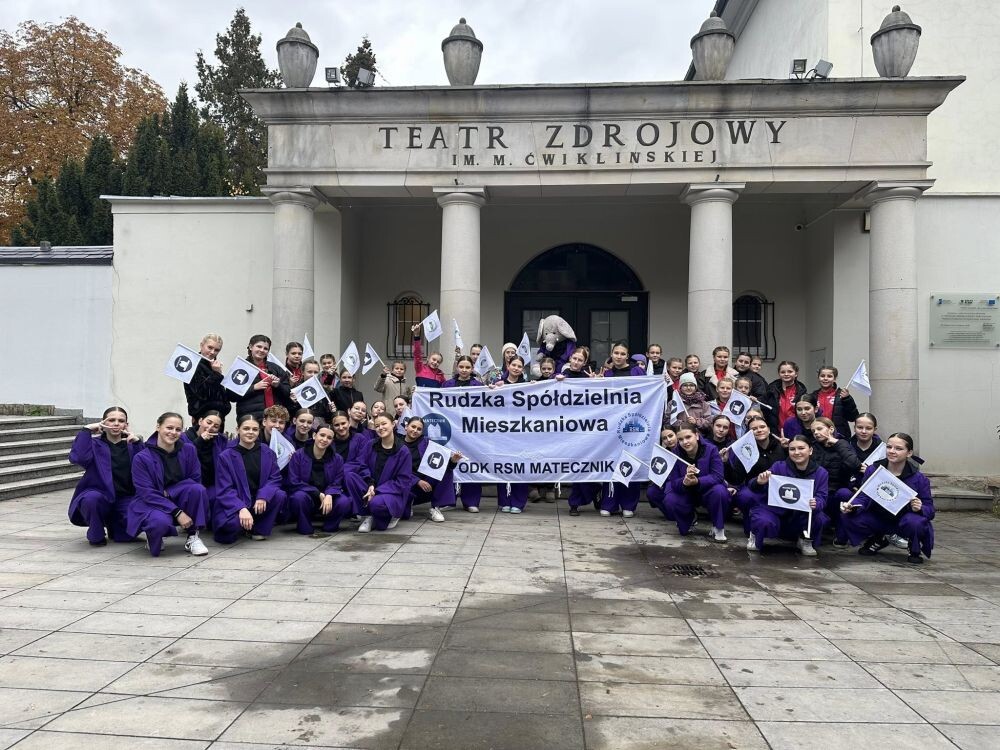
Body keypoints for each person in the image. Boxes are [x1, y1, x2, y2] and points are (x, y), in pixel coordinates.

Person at [839, 433, 934, 564]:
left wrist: (920, 508)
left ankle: (914, 547)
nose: (892, 451)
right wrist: (852, 506)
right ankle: (879, 537)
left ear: (909, 453)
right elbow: (863, 496)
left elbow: (930, 509)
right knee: (848, 516)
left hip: (904, 519)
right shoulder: (874, 470)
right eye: (889, 447)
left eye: (898, 448)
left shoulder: (919, 479)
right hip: (879, 517)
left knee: (916, 522)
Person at [127, 412, 210, 557]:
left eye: (178, 429)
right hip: (152, 502)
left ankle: (193, 536)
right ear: (158, 427)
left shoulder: (189, 450)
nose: (173, 433)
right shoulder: (141, 457)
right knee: (158, 524)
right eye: (169, 428)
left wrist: (170, 491)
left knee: (198, 490)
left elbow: (195, 479)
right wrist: (178, 512)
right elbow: (147, 492)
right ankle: (155, 535)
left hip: (179, 497)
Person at [68, 406, 144, 546]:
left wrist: (138, 442)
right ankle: (96, 532)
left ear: (126, 425)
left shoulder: (132, 445)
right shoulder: (95, 444)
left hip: (125, 498)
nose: (116, 423)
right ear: (103, 423)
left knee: (125, 537)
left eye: (121, 421)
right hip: (100, 495)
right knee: (91, 499)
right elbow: (78, 457)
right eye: (111, 420)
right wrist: (87, 430)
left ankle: (115, 526)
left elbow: (147, 467)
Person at [746, 434, 828, 556]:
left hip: (801, 514)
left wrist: (817, 502)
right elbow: (753, 486)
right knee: (763, 520)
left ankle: (804, 539)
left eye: (801, 448)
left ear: (810, 450)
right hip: (775, 511)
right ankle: (755, 535)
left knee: (820, 518)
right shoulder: (779, 466)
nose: (797, 452)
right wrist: (759, 481)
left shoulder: (821, 472)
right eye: (792, 449)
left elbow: (822, 496)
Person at [213, 414, 287, 543]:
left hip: (258, 501)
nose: (250, 432)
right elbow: (224, 489)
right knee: (229, 528)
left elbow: (275, 478)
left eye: (254, 429)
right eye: (246, 428)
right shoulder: (226, 456)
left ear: (259, 431)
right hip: (236, 501)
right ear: (238, 430)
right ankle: (243, 524)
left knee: (280, 495)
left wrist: (263, 496)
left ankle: (258, 529)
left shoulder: (267, 452)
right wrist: (240, 508)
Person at [346, 414, 414, 532]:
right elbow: (362, 465)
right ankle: (368, 516)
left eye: (384, 424)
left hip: (391, 492)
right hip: (370, 487)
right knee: (350, 476)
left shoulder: (403, 451)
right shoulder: (371, 444)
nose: (380, 428)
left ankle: (388, 515)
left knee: (377, 504)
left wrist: (377, 491)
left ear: (393, 424)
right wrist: (370, 484)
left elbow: (402, 481)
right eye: (377, 426)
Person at [661, 424, 729, 541]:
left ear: (697, 436)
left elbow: (718, 476)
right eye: (681, 439)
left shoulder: (711, 449)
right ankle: (688, 520)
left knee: (720, 491)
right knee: (670, 499)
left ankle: (718, 527)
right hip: (687, 491)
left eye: (688, 437)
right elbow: (674, 482)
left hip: (708, 490)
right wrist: (684, 482)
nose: (685, 442)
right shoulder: (675, 453)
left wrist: (698, 481)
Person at [285, 424, 351, 536]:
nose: (325, 439)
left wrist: (329, 494)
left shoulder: (337, 459)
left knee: (344, 501)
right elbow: (294, 481)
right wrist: (317, 493)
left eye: (329, 438)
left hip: (328, 499)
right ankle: (304, 526)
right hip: (307, 496)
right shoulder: (298, 455)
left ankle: (330, 526)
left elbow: (337, 482)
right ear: (315, 435)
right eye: (322, 435)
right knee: (298, 498)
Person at [728, 416, 786, 534]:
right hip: (754, 489)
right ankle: (750, 527)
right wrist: (725, 463)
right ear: (749, 433)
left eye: (762, 427)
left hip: (779, 490)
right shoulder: (745, 450)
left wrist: (789, 448)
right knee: (744, 496)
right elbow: (736, 478)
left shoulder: (782, 448)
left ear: (769, 429)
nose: (759, 430)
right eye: (754, 429)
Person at [490, 356, 532, 513]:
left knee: (520, 466)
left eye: (519, 366)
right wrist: (491, 389)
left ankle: (518, 502)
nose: (516, 368)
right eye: (513, 364)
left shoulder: (528, 386)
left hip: (521, 432)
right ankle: (504, 500)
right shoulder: (498, 384)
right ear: (508, 365)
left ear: (523, 369)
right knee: (503, 466)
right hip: (501, 432)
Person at [402, 416, 461, 522]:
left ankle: (435, 507)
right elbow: (396, 470)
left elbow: (440, 464)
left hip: (426, 484)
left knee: (446, 470)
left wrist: (453, 461)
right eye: (413, 427)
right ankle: (408, 502)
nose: (415, 430)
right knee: (403, 515)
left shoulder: (426, 442)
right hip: (405, 484)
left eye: (419, 429)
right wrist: (417, 481)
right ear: (406, 427)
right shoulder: (397, 444)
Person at [811, 417, 862, 533]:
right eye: (813, 431)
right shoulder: (813, 447)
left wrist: (837, 443)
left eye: (819, 429)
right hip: (818, 492)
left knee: (844, 494)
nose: (816, 433)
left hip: (837, 490)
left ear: (831, 429)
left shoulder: (843, 444)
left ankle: (841, 534)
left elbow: (855, 465)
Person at [233, 335, 290, 421]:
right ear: (251, 347)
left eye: (265, 348)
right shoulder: (241, 368)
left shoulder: (276, 368)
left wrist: (278, 385)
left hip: (274, 419)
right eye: (259, 346)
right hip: (250, 419)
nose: (262, 350)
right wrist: (254, 387)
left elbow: (287, 393)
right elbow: (231, 396)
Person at [180, 410, 225, 515]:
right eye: (208, 422)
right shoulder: (184, 437)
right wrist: (200, 441)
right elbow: (183, 459)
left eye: (216, 426)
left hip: (210, 484)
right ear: (200, 421)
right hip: (190, 484)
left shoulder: (219, 440)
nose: (210, 427)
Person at [183, 333, 231, 427]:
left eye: (216, 350)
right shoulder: (192, 364)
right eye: (210, 347)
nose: (212, 352)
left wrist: (225, 407)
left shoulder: (213, 366)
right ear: (201, 345)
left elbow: (220, 392)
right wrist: (216, 374)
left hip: (218, 415)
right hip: (202, 417)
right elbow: (202, 393)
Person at [810, 366, 860, 438]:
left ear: (835, 379)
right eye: (822, 376)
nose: (825, 378)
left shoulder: (842, 395)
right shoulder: (812, 396)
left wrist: (847, 399)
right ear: (818, 378)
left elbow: (853, 417)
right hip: (817, 436)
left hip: (838, 436)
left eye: (829, 376)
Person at [764, 360, 807, 435]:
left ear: (796, 373)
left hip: (796, 432)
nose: (786, 374)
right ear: (779, 374)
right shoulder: (771, 391)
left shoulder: (801, 392)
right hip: (775, 432)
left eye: (790, 371)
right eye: (783, 372)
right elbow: (765, 410)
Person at [646, 426, 678, 518]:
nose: (668, 440)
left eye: (671, 436)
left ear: (676, 434)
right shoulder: (663, 453)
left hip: (681, 483)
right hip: (667, 482)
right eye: (664, 438)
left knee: (669, 492)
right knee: (652, 492)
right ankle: (670, 514)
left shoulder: (685, 449)